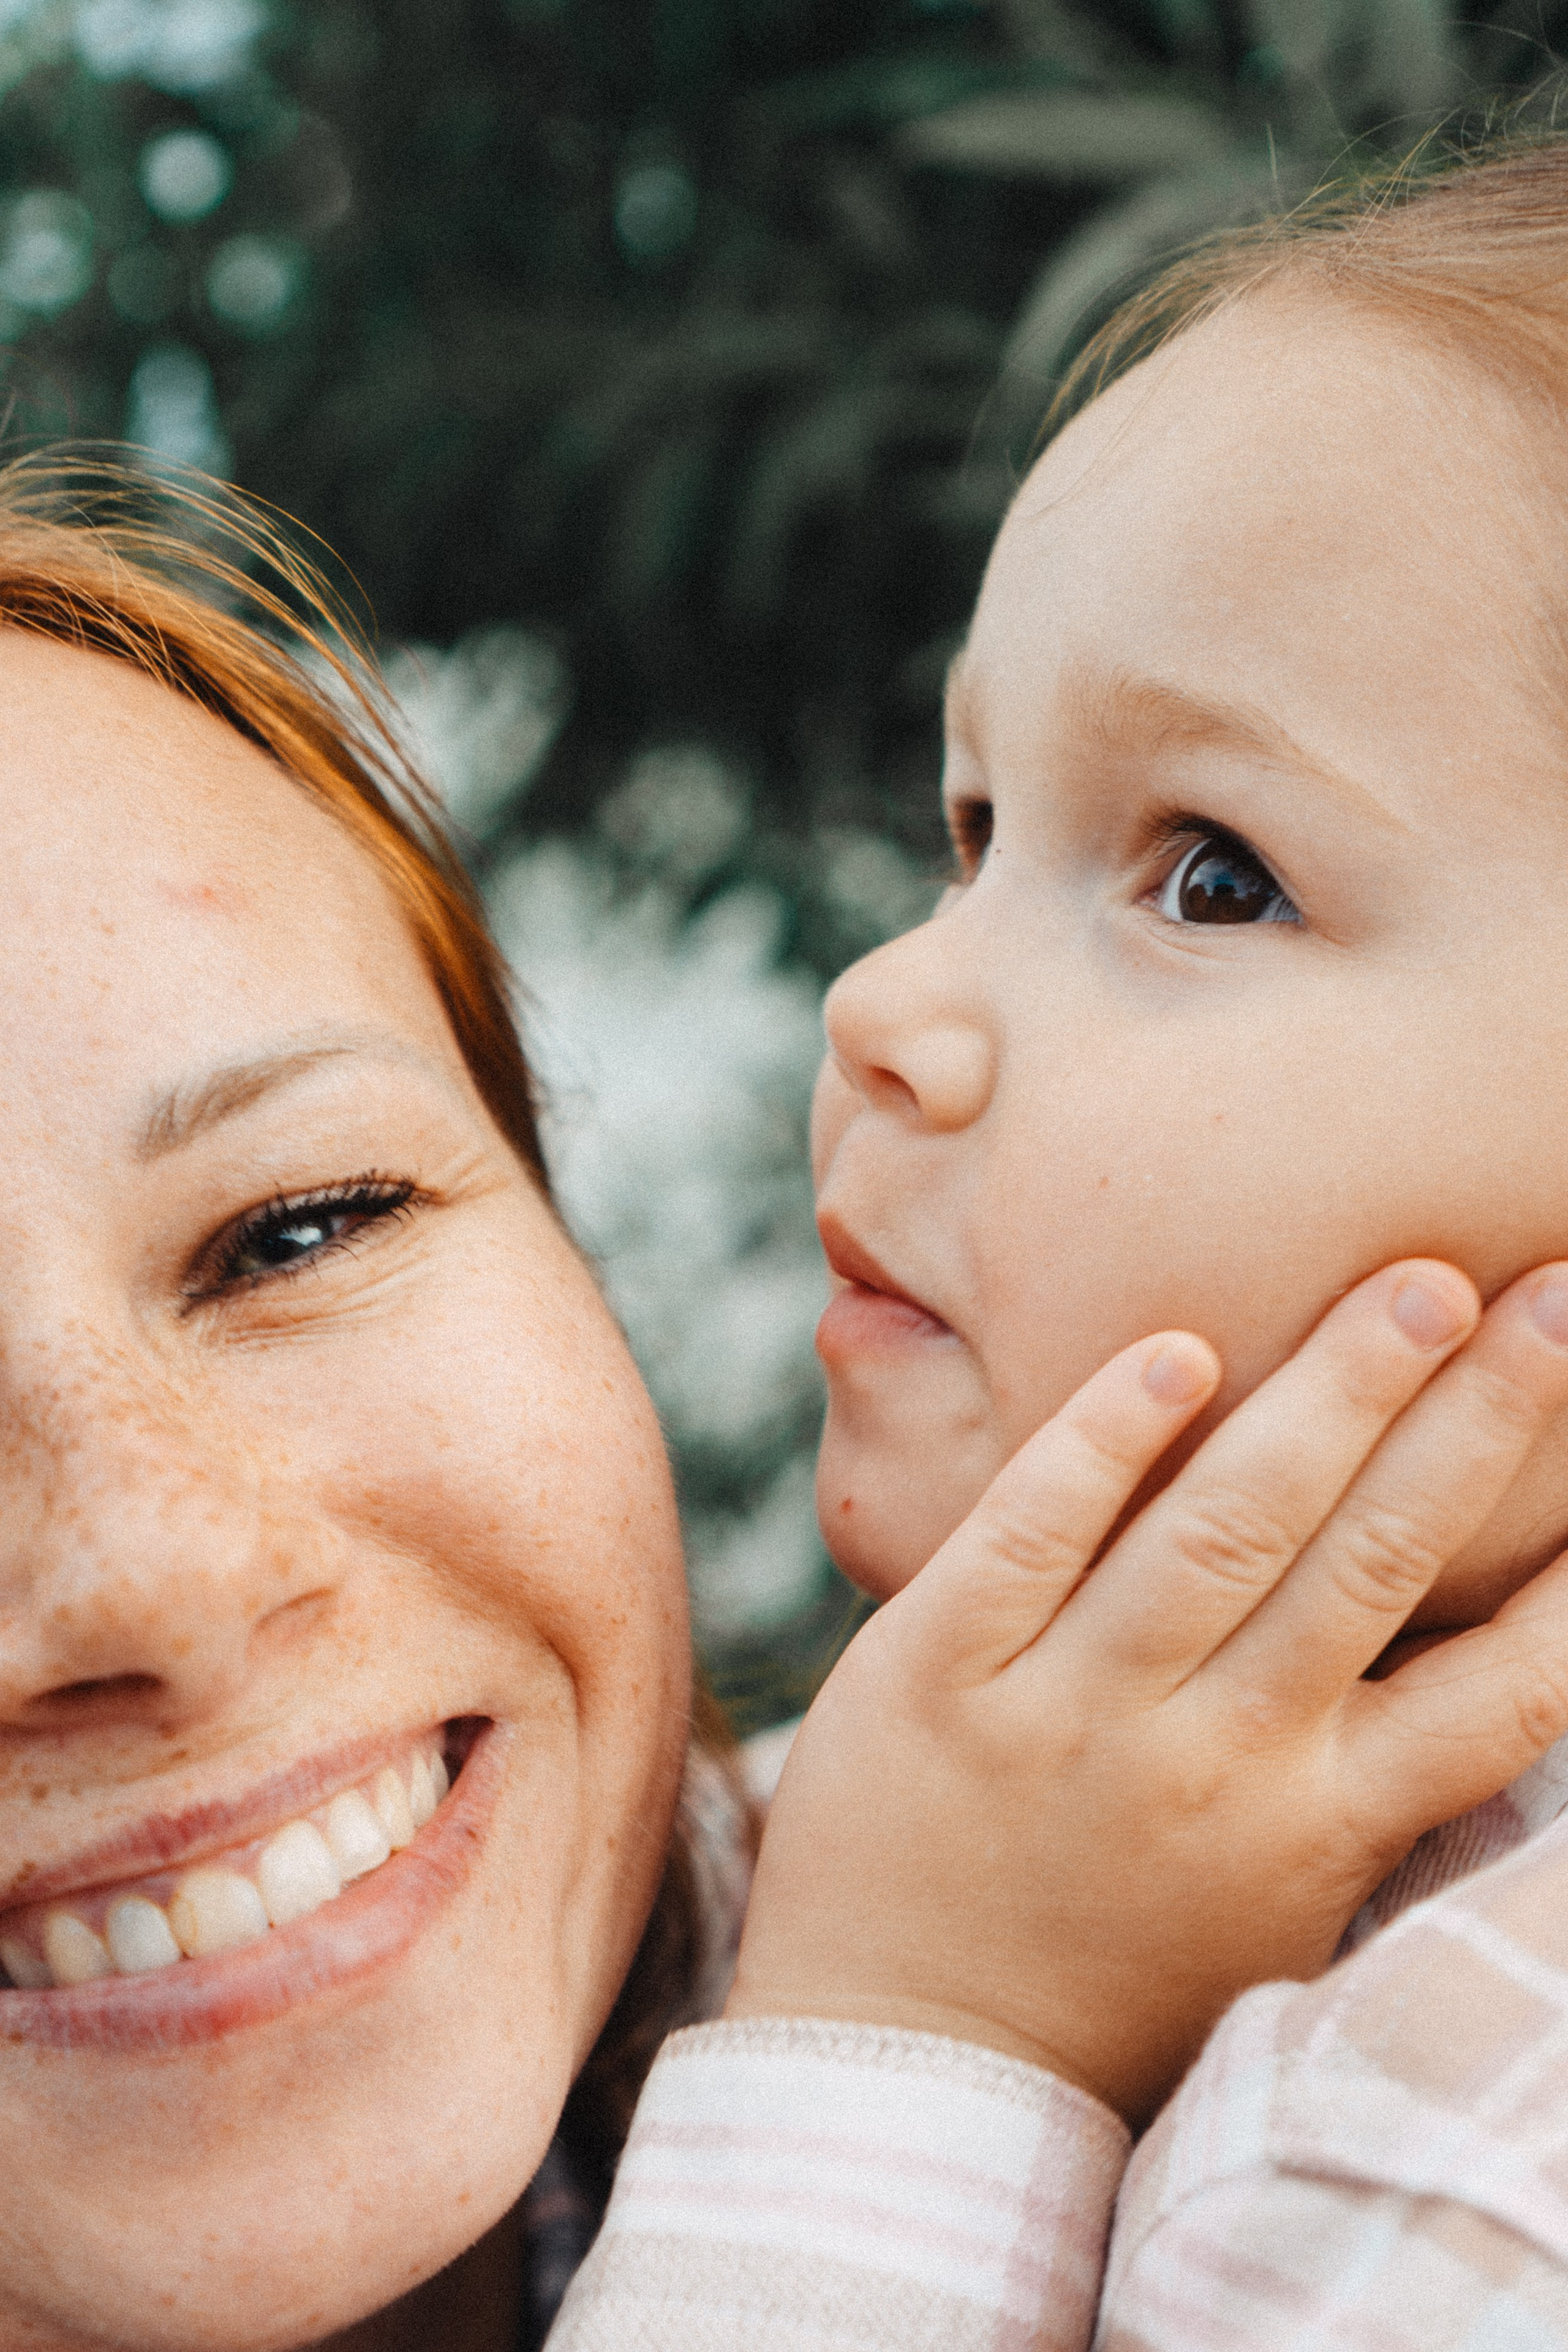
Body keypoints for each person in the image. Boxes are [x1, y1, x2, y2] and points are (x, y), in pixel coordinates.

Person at [551, 128, 1568, 2349]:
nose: (883, 1005)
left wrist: (920, 2026)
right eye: (976, 825)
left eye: (1209, 872)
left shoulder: (1454, 2170)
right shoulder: (925, 1780)